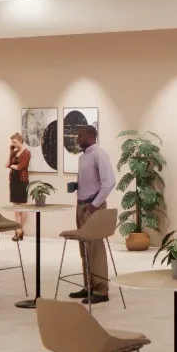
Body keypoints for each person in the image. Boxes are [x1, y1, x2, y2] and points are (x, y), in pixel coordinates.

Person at [73, 125, 114, 302]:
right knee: (84, 248)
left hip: (92, 207)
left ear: (90, 136)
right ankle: (88, 285)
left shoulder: (99, 154)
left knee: (95, 249)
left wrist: (94, 206)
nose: (77, 138)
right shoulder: (83, 157)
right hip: (81, 205)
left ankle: (101, 290)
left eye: (80, 135)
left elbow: (109, 183)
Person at [6, 131, 32, 241]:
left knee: (23, 207)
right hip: (13, 181)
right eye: (12, 142)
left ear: (20, 141)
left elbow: (21, 167)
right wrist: (10, 151)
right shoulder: (13, 152)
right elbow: (7, 164)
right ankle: (18, 231)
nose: (13, 144)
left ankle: (20, 229)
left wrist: (12, 166)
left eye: (15, 142)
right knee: (16, 208)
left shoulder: (27, 153)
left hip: (22, 181)